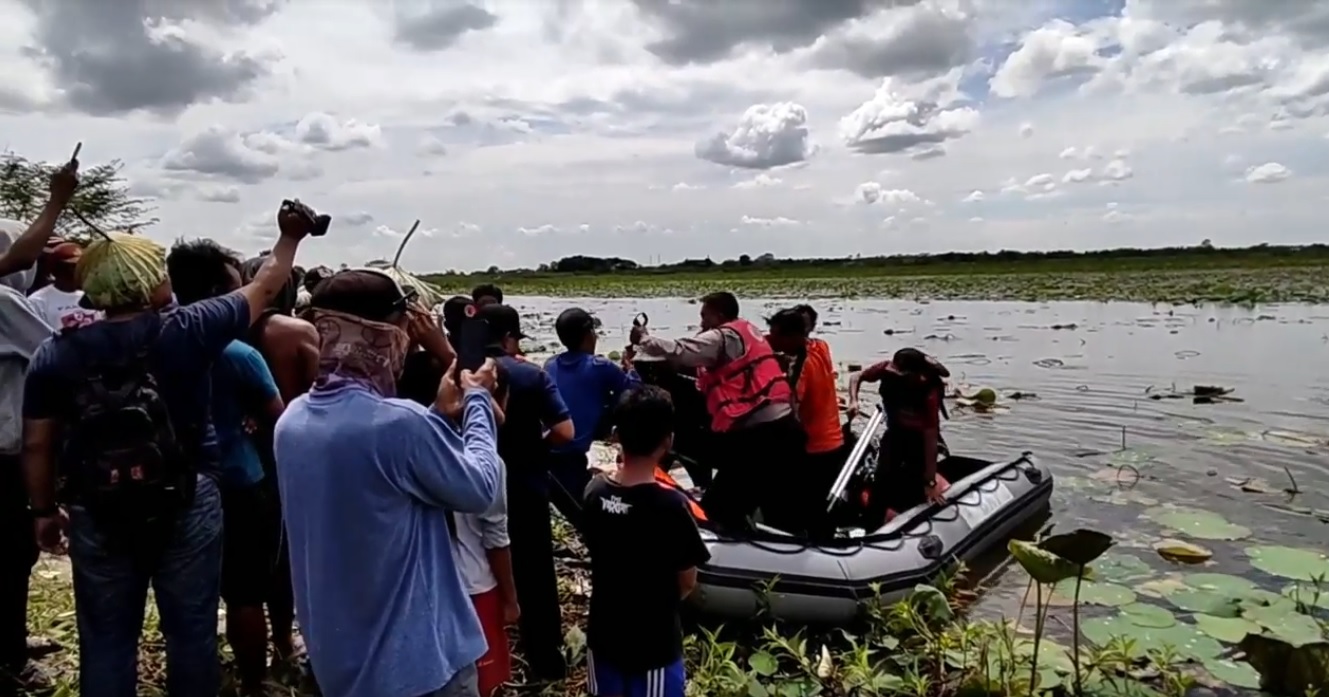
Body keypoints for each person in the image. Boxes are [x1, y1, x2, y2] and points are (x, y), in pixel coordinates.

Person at [21, 201, 316, 697]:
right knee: (191, 632)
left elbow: (37, 442)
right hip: (187, 498)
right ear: (150, 283)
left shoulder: (57, 350)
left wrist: (44, 509)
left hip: (96, 504)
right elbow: (266, 284)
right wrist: (290, 237)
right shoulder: (190, 329)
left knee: (108, 638)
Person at [274, 269, 503, 697]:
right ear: (383, 334)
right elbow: (480, 488)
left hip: (342, 663)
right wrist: (476, 399)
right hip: (419, 667)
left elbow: (382, 479)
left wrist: (436, 416)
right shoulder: (396, 424)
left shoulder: (293, 421)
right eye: (404, 328)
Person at [165, 239, 289, 693]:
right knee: (245, 594)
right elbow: (281, 419)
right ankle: (254, 683)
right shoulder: (238, 354)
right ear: (221, 292)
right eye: (239, 286)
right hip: (238, 481)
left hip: (176, 484)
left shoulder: (154, 341)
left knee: (189, 598)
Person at [630, 291, 802, 531]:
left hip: (761, 435)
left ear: (718, 315)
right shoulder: (747, 334)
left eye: (704, 316)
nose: (701, 323)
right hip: (783, 426)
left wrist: (644, 339)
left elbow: (681, 350)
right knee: (763, 500)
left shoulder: (723, 337)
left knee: (720, 508)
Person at [583, 385, 709, 697]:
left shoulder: (594, 492)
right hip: (654, 646)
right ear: (668, 441)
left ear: (615, 436)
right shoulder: (671, 508)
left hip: (603, 637)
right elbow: (687, 581)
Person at [478, 303, 574, 681]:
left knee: (479, 571)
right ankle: (545, 663)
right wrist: (538, 444)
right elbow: (565, 431)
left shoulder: (460, 372)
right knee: (535, 575)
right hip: (525, 485)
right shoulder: (530, 374)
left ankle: (488, 659)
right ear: (509, 337)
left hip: (475, 488)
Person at [0, 226, 56, 692]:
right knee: (13, 553)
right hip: (4, 455)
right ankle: (11, 656)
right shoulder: (5, 302)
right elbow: (54, 347)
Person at [543, 307, 639, 530]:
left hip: (553, 454)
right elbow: (633, 393)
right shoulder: (600, 366)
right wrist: (631, 368)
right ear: (589, 336)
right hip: (583, 455)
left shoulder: (550, 364)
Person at [846, 348, 951, 523]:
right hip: (895, 433)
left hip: (918, 439)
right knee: (882, 478)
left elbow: (930, 437)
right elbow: (856, 376)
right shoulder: (886, 370)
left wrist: (930, 482)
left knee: (915, 484)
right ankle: (873, 522)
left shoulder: (927, 391)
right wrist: (853, 400)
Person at [764, 308, 845, 531]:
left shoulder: (801, 370)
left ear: (793, 337)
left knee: (803, 505)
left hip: (813, 446)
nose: (772, 340)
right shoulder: (820, 347)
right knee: (820, 504)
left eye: (777, 335)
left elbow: (789, 412)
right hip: (833, 440)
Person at [28, 242, 102, 330]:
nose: (80, 270)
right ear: (57, 269)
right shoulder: (38, 301)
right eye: (73, 266)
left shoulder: (93, 296)